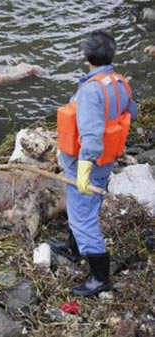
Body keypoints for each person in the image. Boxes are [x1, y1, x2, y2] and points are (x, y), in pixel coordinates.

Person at [51, 30, 137, 297]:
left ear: (86, 56)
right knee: (82, 210)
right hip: (106, 161)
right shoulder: (119, 82)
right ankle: (73, 248)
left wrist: (84, 171)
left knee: (83, 218)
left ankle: (100, 278)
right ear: (112, 54)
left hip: (86, 162)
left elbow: (91, 137)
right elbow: (131, 111)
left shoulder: (90, 91)